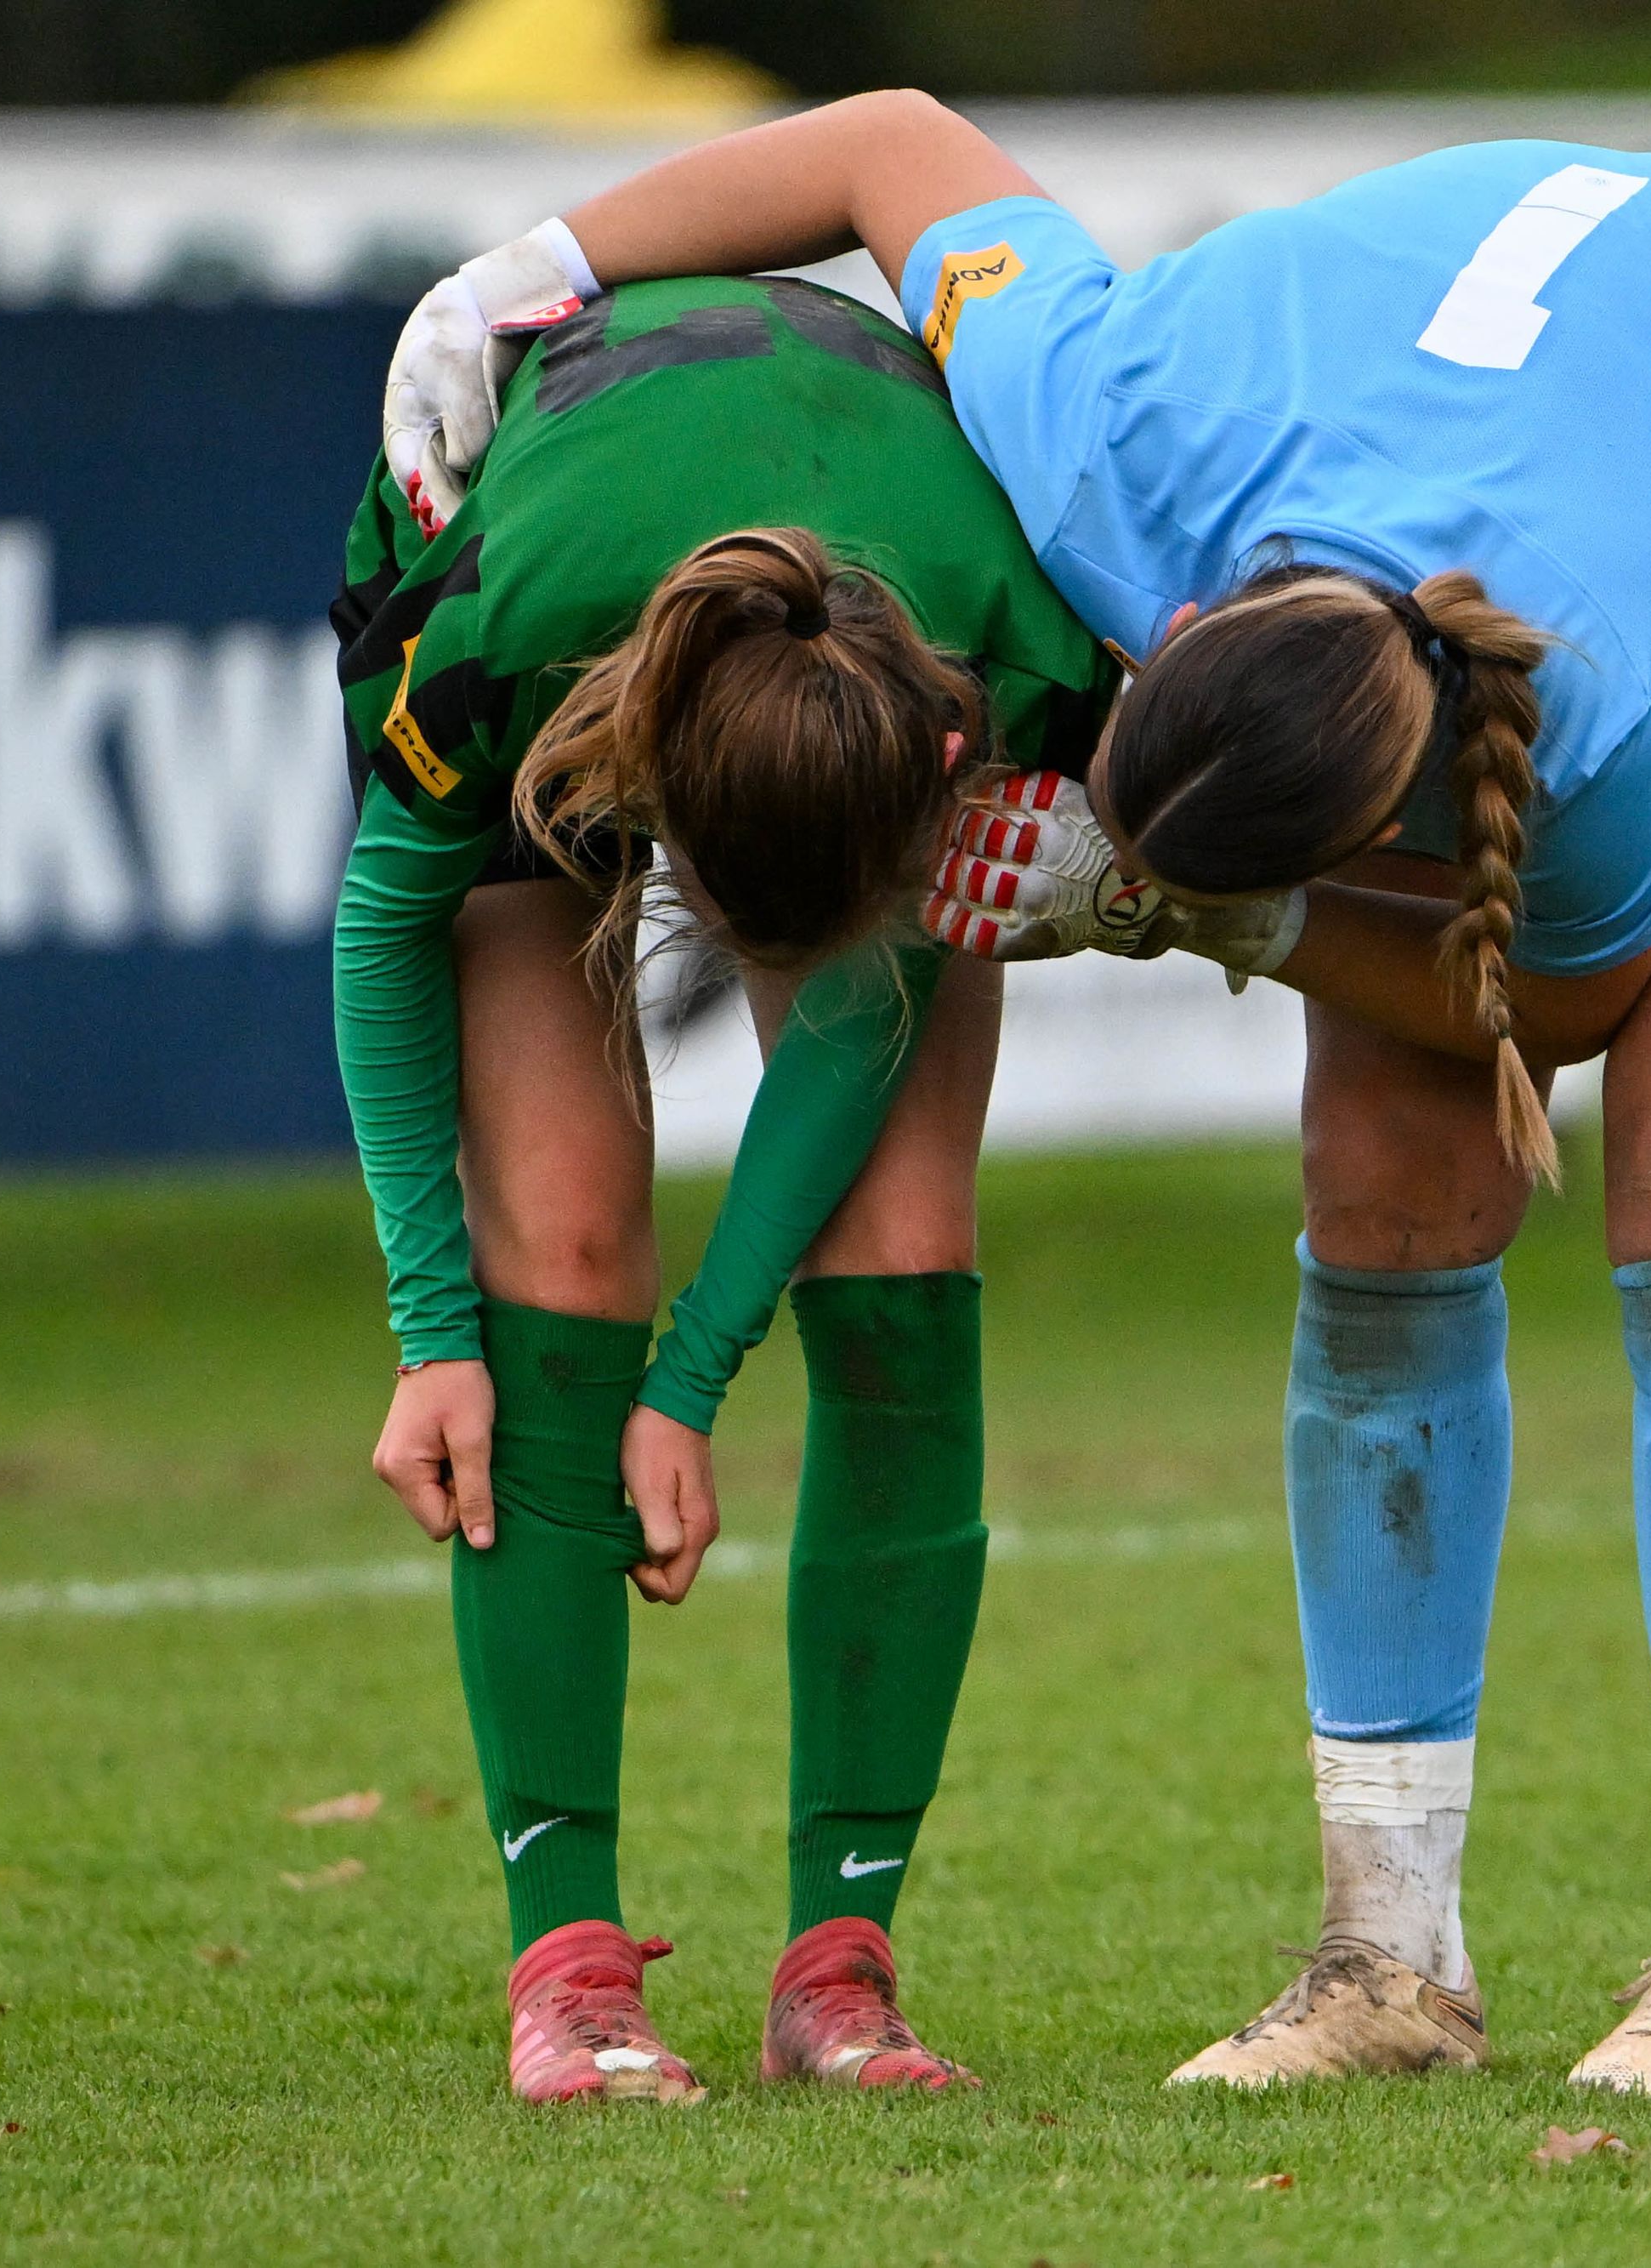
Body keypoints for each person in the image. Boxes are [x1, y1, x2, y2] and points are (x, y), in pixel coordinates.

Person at [386, 95, 1651, 2095]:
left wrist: (1206, 920)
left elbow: (1569, 999)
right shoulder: (1102, 436)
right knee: (1377, 1173)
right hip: (1519, 367)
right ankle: (1384, 1951)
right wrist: (529, 269)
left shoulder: (1577, 707)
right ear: (1163, 628)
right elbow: (888, 143)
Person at [339, 255, 1119, 2104]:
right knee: (566, 1236)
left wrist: (697, 1377)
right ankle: (569, 1968)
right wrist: (429, 1329)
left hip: (873, 572)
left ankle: (837, 1961)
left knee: (906, 1242)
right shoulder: (497, 623)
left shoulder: (1011, 651)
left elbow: (856, 1022)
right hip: (568, 559)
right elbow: (386, 928)